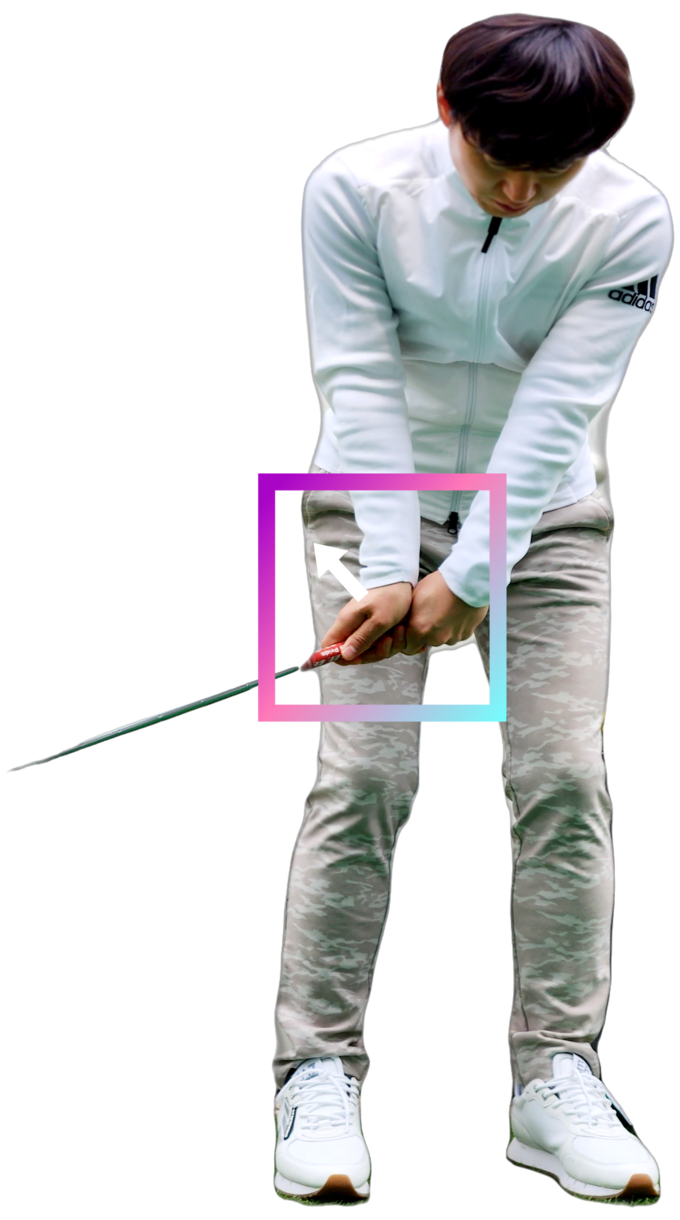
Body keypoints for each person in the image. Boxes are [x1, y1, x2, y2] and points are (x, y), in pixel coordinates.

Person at [272, 15, 673, 1205]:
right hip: (364, 510)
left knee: (561, 779)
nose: (517, 190)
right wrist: (391, 568)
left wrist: (466, 579)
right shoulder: (352, 187)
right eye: (498, 158)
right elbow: (354, 379)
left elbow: (557, 409)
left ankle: (554, 1076)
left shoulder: (629, 217)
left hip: (547, 519)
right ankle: (316, 1072)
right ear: (446, 107)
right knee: (364, 777)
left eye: (551, 168)